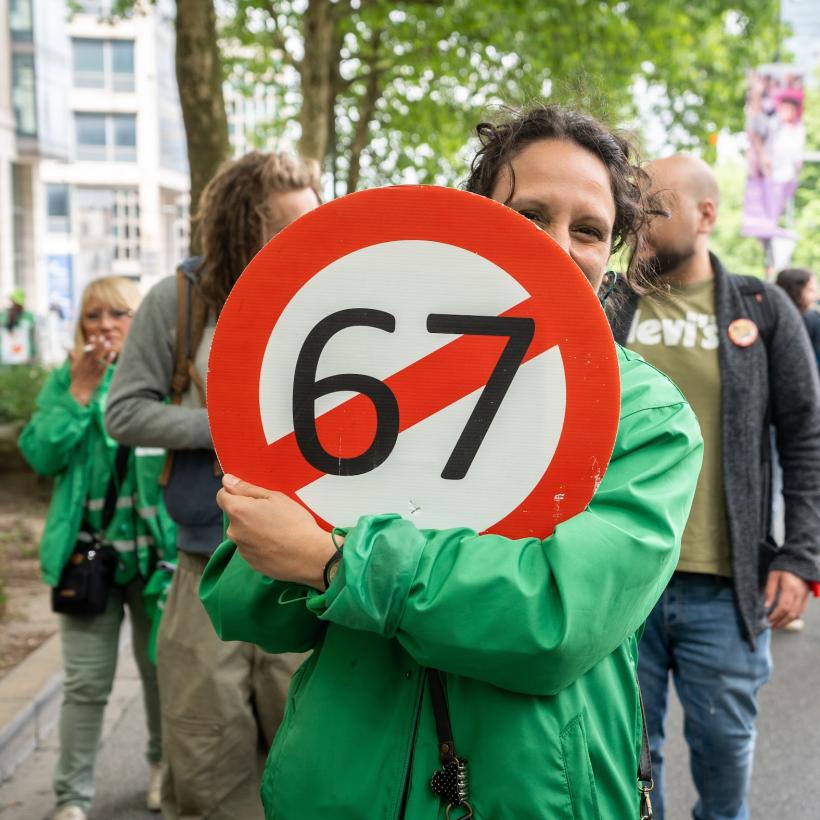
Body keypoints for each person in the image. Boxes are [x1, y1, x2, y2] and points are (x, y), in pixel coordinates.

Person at [198, 105, 704, 818]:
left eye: (587, 229)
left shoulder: (647, 420)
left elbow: (557, 623)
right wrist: (282, 546)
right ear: (477, 225)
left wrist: (338, 562)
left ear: (611, 253)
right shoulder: (372, 373)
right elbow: (244, 603)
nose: (558, 245)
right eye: (530, 214)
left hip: (531, 794)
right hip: (342, 788)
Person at [104, 151, 321, 820]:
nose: (304, 244)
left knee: (311, 754)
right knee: (206, 764)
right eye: (287, 229)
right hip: (206, 563)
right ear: (241, 228)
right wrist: (228, 428)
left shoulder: (330, 295)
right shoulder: (180, 302)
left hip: (313, 573)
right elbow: (124, 412)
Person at [610, 154, 820, 820]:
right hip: (620, 581)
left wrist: (799, 556)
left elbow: (805, 434)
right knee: (626, 765)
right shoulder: (608, 305)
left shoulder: (762, 309)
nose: (639, 224)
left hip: (724, 589)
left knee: (724, 761)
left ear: (706, 215)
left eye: (657, 209)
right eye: (634, 210)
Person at [18, 276, 174, 820]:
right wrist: (81, 393)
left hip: (158, 557)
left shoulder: (164, 379)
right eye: (92, 315)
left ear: (142, 319)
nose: (104, 326)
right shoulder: (68, 381)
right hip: (89, 559)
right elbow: (41, 455)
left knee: (161, 673)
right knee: (85, 682)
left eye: (118, 313)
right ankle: (71, 797)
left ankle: (160, 769)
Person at [776, 267, 820, 368]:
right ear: (795, 291)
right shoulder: (811, 319)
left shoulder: (772, 318)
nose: (816, 296)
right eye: (810, 290)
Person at [1, 287, 37, 364]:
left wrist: (33, 353)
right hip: (7, 357)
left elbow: (33, 336)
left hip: (26, 356)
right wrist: (10, 319)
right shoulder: (4, 315)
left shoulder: (28, 316)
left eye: (15, 302)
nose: (13, 304)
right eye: (12, 301)